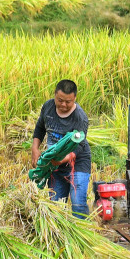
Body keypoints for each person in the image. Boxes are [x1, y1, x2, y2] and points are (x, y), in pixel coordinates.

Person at [31, 80, 91, 218]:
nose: (63, 105)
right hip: (56, 161)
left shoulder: (80, 117)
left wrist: (64, 159)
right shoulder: (48, 107)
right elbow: (40, 128)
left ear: (74, 98)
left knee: (77, 203)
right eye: (60, 100)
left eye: (68, 102)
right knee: (55, 204)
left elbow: (80, 146)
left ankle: (82, 231)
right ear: (54, 95)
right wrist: (35, 148)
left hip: (78, 162)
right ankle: (60, 235)